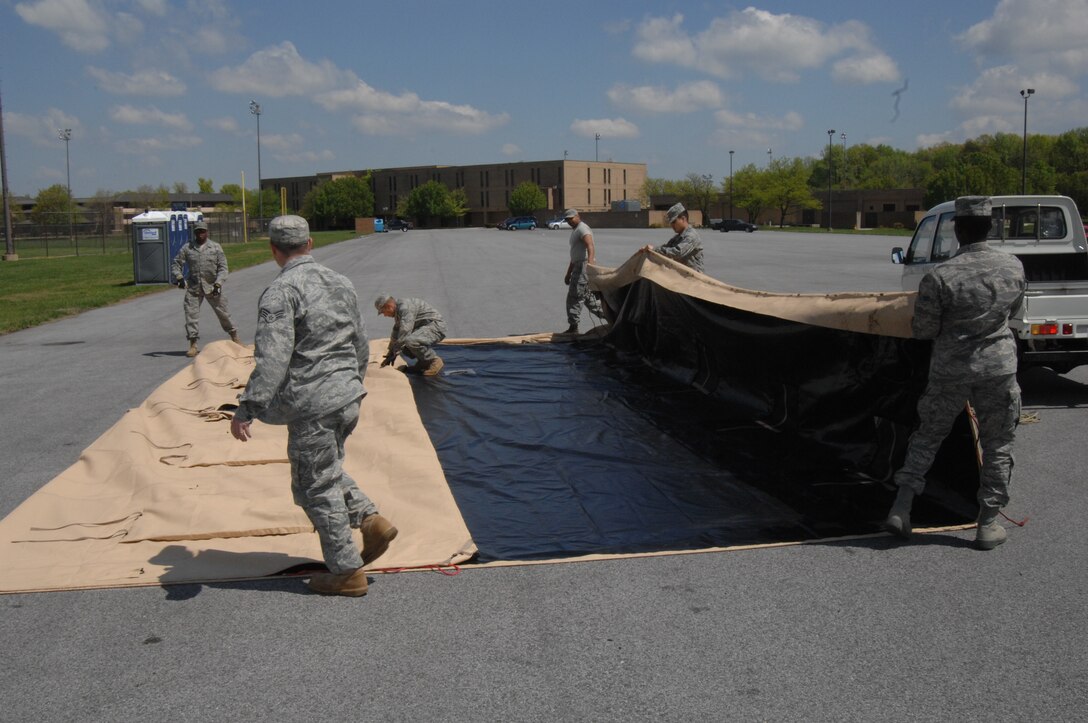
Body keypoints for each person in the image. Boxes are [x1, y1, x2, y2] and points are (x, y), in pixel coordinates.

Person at [230, 215, 397, 597]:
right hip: (346, 395)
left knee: (313, 486)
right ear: (310, 244)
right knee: (324, 469)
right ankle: (370, 520)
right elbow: (359, 341)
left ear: (274, 250)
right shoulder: (341, 282)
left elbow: (272, 357)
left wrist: (247, 408)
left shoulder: (281, 292)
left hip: (312, 403)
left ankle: (345, 571)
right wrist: (353, 384)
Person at [884, 196, 1026, 550]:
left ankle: (902, 507)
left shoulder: (940, 276)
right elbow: (1014, 313)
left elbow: (925, 330)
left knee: (928, 435)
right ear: (989, 228)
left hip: (951, 368)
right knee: (998, 445)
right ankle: (988, 523)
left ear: (958, 230)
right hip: (998, 367)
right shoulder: (1013, 267)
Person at [170, 220, 240, 357]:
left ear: (207, 232)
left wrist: (218, 284)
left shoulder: (215, 247)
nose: (200, 234)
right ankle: (193, 344)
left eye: (202, 231)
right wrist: (179, 277)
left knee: (224, 313)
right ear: (194, 233)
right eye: (197, 232)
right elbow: (176, 263)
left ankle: (235, 337)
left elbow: (223, 268)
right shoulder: (188, 248)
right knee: (191, 316)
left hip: (212, 287)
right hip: (194, 287)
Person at [374, 295, 447, 376]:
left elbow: (405, 331)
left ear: (389, 306)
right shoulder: (399, 312)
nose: (385, 315)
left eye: (383, 312)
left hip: (436, 326)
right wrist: (390, 353)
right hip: (426, 327)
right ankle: (424, 362)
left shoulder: (405, 308)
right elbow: (395, 334)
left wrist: (395, 350)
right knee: (404, 345)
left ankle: (434, 360)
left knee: (410, 341)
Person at [563, 208, 605, 334]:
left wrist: (590, 264)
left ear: (578, 216)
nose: (569, 221)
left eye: (571, 218)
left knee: (574, 297)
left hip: (583, 267)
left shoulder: (582, 228)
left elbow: (590, 246)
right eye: (567, 220)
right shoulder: (576, 230)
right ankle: (614, 317)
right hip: (578, 266)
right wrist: (568, 273)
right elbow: (575, 255)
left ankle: (573, 327)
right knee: (588, 299)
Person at [641, 203, 704, 273]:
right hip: (682, 275)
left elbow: (678, 252)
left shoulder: (691, 235)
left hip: (694, 278)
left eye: (674, 222)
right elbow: (667, 247)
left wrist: (654, 249)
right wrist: (649, 250)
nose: (672, 225)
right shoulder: (678, 237)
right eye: (671, 223)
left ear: (683, 219)